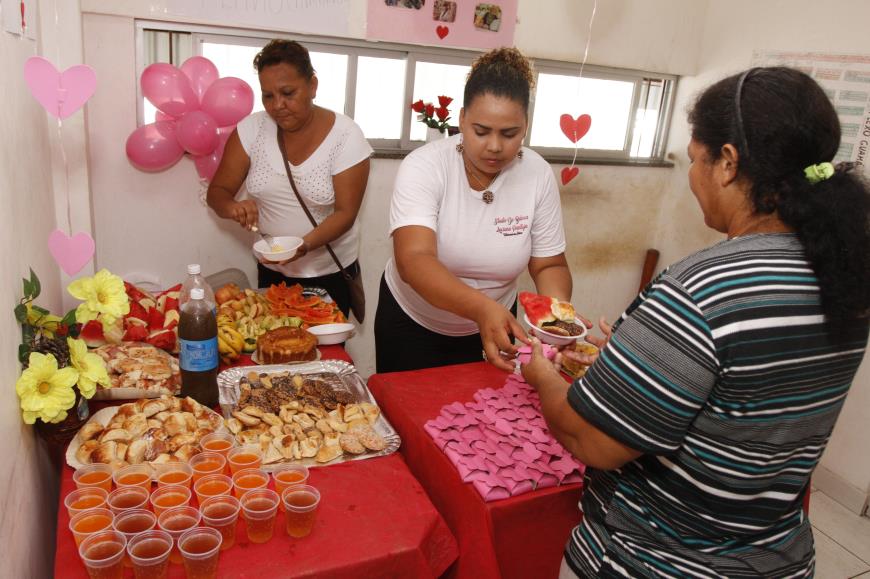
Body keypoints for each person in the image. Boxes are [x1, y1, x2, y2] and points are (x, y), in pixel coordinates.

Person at [522, 66, 870, 578]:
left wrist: (544, 379)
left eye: (693, 159)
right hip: (775, 557)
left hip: (658, 560)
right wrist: (639, 357)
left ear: (727, 162)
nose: (691, 176)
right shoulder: (846, 274)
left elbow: (591, 441)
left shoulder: (700, 289)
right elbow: (745, 395)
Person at [375, 47, 574, 373]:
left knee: (492, 404)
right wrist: (482, 308)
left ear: (525, 126)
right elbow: (414, 260)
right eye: (481, 131)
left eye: (509, 134)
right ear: (462, 119)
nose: (494, 146)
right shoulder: (425, 166)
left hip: (496, 323)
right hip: (414, 325)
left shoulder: (537, 174)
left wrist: (555, 319)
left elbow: (549, 264)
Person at [206, 39, 372, 317]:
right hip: (273, 271)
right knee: (274, 340)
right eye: (268, 96)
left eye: (287, 93)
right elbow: (217, 191)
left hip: (328, 273)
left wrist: (302, 246)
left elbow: (346, 213)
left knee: (323, 344)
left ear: (313, 85)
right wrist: (232, 207)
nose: (278, 105)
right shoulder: (251, 130)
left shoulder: (345, 136)